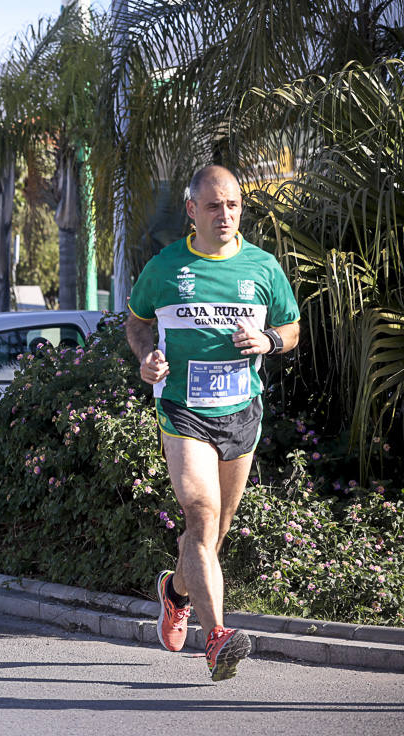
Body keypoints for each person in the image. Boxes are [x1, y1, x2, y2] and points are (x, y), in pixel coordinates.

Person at [126, 165, 300, 682]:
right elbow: (137, 321)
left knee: (216, 531)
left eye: (233, 205)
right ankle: (218, 636)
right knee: (201, 516)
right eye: (213, 206)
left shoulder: (263, 267)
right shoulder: (165, 267)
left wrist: (269, 341)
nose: (225, 215)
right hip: (182, 409)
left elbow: (290, 327)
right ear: (191, 210)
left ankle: (175, 593)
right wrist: (146, 359)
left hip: (241, 410)